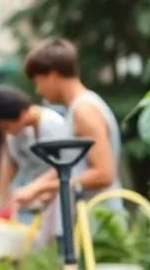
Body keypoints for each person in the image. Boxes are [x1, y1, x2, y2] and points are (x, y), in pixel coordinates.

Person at [8, 38, 122, 210]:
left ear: (53, 75)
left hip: (104, 222)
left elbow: (104, 174)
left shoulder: (84, 111)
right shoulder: (75, 109)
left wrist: (41, 187)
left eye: (38, 81)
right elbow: (70, 168)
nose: (38, 90)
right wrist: (37, 188)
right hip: (88, 219)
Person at [0, 85, 75, 229]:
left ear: (22, 113)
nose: (7, 132)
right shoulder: (18, 132)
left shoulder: (52, 126)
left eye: (6, 126)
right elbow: (11, 163)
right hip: (35, 197)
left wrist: (35, 188)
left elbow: (65, 166)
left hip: (58, 195)